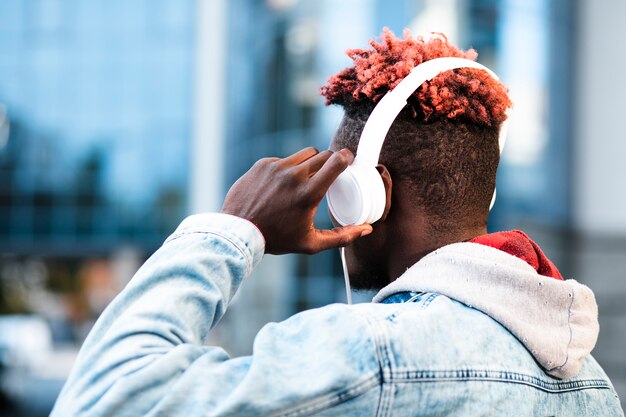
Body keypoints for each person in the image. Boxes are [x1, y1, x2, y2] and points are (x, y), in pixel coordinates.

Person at [51, 29, 623, 416]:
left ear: (371, 194)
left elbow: (106, 398)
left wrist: (233, 228)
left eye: (336, 180)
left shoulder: (376, 356)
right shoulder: (593, 383)